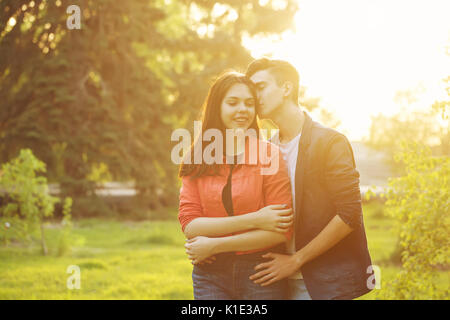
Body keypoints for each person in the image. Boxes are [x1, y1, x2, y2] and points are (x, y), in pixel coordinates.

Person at [245, 58, 374, 300]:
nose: (254, 97)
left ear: (286, 88)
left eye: (260, 87)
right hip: (276, 281)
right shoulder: (266, 149)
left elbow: (349, 213)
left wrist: (296, 260)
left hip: (324, 282)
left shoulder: (330, 142)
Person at [178, 71, 294, 300]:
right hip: (210, 274)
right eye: (233, 102)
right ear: (217, 106)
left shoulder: (268, 154)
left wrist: (214, 245)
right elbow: (190, 224)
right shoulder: (197, 156)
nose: (243, 109)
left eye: (249, 104)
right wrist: (256, 219)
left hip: (261, 272)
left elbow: (281, 230)